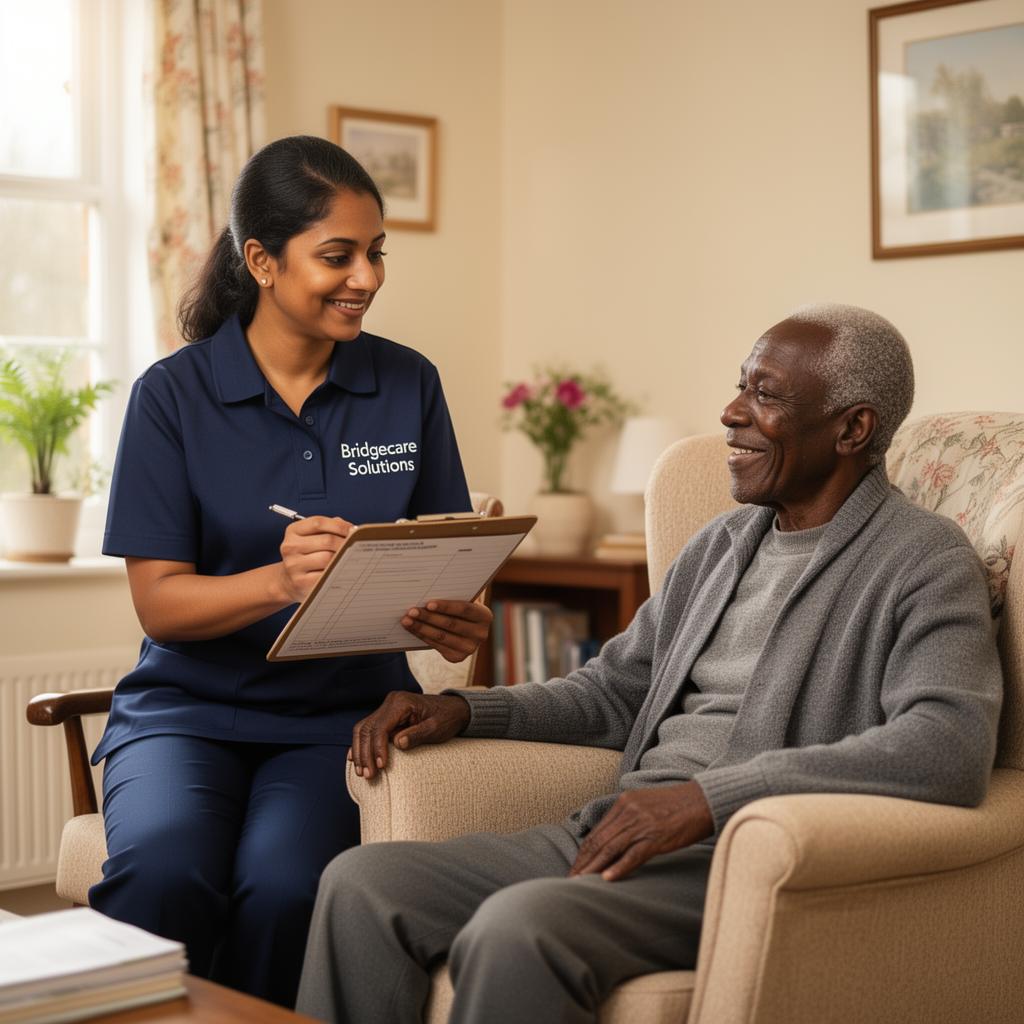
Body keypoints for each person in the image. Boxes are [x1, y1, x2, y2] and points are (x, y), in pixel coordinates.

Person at [295, 304, 1004, 1024]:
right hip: (615, 831)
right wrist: (471, 709)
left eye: (766, 395)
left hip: (740, 861)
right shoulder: (722, 544)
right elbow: (614, 692)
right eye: (740, 387)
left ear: (853, 428)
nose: (731, 413)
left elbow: (947, 746)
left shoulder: (923, 559)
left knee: (519, 929)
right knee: (362, 887)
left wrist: (708, 800)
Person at [89, 135, 491, 1008]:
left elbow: (445, 555)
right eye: (338, 255)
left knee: (286, 892)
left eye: (377, 252)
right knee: (164, 875)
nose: (368, 277)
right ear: (262, 261)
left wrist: (461, 619)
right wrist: (278, 581)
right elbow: (160, 605)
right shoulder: (173, 395)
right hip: (185, 714)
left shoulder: (407, 383)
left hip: (337, 721)